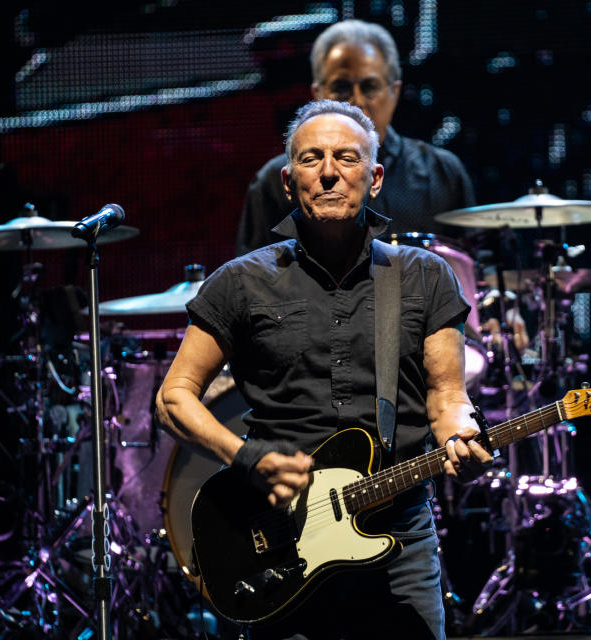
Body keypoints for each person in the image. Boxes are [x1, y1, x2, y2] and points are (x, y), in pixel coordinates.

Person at [155, 99, 492, 640]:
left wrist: (462, 435)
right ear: (288, 182)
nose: (330, 172)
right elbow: (174, 398)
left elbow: (447, 397)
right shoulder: (240, 283)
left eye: (347, 158)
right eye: (312, 159)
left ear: (376, 178)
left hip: (396, 535)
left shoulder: (424, 276)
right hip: (282, 539)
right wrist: (247, 458)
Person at [235, 19, 476, 256]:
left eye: (370, 87)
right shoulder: (276, 181)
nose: (357, 101)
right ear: (317, 94)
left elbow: (473, 271)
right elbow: (252, 280)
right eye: (341, 88)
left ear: (394, 92)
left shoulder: (444, 172)